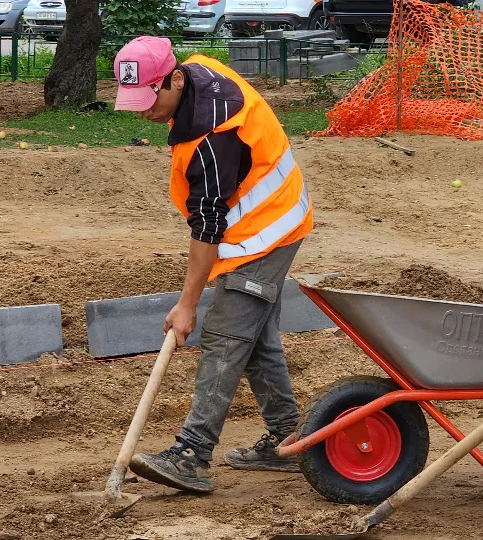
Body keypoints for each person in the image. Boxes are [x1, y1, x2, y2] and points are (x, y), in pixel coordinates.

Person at [111, 36, 314, 493]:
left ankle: (192, 453)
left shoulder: (212, 139)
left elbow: (206, 225)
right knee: (254, 335)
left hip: (268, 228)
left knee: (225, 334)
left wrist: (187, 306)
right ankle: (287, 440)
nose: (144, 111)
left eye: (150, 99)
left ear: (176, 79)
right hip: (254, 221)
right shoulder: (196, 72)